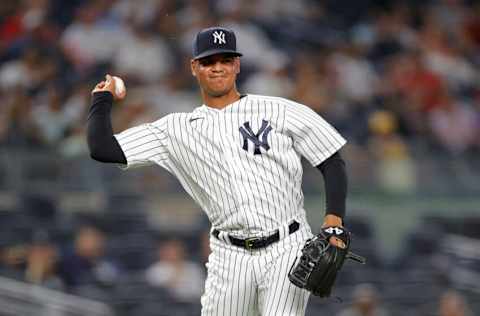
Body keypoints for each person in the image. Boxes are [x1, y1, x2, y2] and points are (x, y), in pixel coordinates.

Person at [87, 26, 349, 316]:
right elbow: (104, 149)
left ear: (237, 65)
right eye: (209, 62)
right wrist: (101, 100)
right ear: (194, 67)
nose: (217, 68)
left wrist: (333, 220)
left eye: (225, 60)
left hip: (287, 245)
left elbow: (330, 158)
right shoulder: (174, 129)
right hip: (229, 254)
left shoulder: (279, 110)